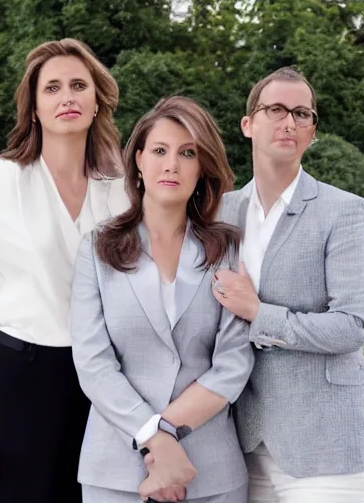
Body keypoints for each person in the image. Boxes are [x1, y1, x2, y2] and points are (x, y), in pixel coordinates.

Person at [0, 38, 130, 502]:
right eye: (53, 88)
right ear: (34, 106)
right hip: (15, 382)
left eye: (79, 85)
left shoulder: (126, 188)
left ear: (97, 101)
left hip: (102, 383)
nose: (67, 96)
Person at [70, 96, 254, 503]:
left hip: (211, 471)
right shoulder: (97, 248)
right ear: (138, 160)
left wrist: (166, 434)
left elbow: (232, 363)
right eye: (159, 150)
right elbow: (93, 362)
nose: (172, 164)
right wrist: (152, 438)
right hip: (115, 472)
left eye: (187, 153)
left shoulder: (228, 249)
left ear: (202, 165)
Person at [213, 67, 364, 502]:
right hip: (243, 444)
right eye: (276, 109)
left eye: (302, 113)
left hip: (326, 447)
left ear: (312, 132)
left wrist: (257, 313)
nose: (289, 122)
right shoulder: (221, 214)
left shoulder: (343, 211)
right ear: (248, 124)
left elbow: (350, 327)